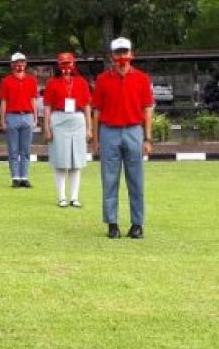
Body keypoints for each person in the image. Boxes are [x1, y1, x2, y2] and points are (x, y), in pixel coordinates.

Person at [91, 37, 154, 239]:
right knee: (109, 179)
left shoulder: (142, 78)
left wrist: (148, 138)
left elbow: (147, 110)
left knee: (136, 180)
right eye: (118, 53)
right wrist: (95, 139)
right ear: (112, 56)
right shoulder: (102, 79)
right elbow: (97, 111)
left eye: (125, 52)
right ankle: (112, 223)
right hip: (109, 132)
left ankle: (137, 224)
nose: (122, 57)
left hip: (134, 131)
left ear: (131, 54)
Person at [42, 53, 92, 208]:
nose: (66, 67)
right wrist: (47, 127)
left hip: (77, 119)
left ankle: (75, 197)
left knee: (76, 160)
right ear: (59, 65)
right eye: (63, 64)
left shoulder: (81, 82)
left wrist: (89, 128)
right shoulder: (52, 83)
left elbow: (87, 106)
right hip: (59, 119)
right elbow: (47, 107)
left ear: (73, 64)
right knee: (60, 160)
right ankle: (62, 197)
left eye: (68, 63)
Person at [0, 52, 39, 188]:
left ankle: (24, 177)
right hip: (12, 116)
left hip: (27, 115)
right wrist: (3, 120)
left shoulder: (31, 80)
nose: (19, 64)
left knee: (26, 150)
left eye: (22, 62)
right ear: (12, 64)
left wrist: (35, 117)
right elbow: (4, 101)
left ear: (25, 64)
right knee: (13, 149)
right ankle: (15, 177)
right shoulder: (6, 81)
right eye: (17, 62)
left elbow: (33, 100)